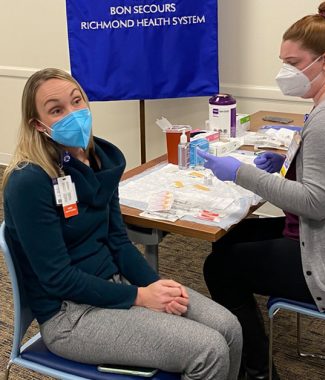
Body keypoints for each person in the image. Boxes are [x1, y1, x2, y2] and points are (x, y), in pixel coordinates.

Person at [1, 68, 243, 379]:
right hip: (71, 315)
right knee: (209, 350)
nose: (73, 114)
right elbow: (57, 278)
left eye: (77, 102)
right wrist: (141, 297)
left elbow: (118, 241)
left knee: (230, 328)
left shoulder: (99, 161)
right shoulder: (29, 182)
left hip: (116, 286)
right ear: (38, 125)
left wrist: (151, 285)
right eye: (57, 110)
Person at [197, 2, 325, 379]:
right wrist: (287, 161)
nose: (286, 72)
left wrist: (240, 173)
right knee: (228, 238)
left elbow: (316, 203)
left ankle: (256, 369)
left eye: (294, 63)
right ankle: (253, 342)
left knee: (218, 267)